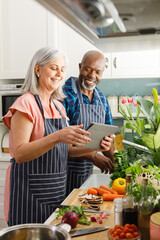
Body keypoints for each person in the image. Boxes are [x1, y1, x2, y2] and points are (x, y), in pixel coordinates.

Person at [2, 47, 114, 226]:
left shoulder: (57, 106)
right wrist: (57, 136)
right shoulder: (25, 104)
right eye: (54, 68)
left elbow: (68, 150)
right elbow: (21, 153)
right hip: (29, 196)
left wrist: (97, 147)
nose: (59, 74)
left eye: (62, 69)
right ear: (37, 70)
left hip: (57, 194)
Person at [62, 50, 115, 195]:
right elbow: (59, 142)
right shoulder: (65, 94)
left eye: (98, 72)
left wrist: (117, 165)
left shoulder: (101, 99)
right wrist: (93, 155)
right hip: (62, 171)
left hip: (86, 172)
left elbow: (109, 136)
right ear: (80, 67)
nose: (92, 76)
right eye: (88, 69)